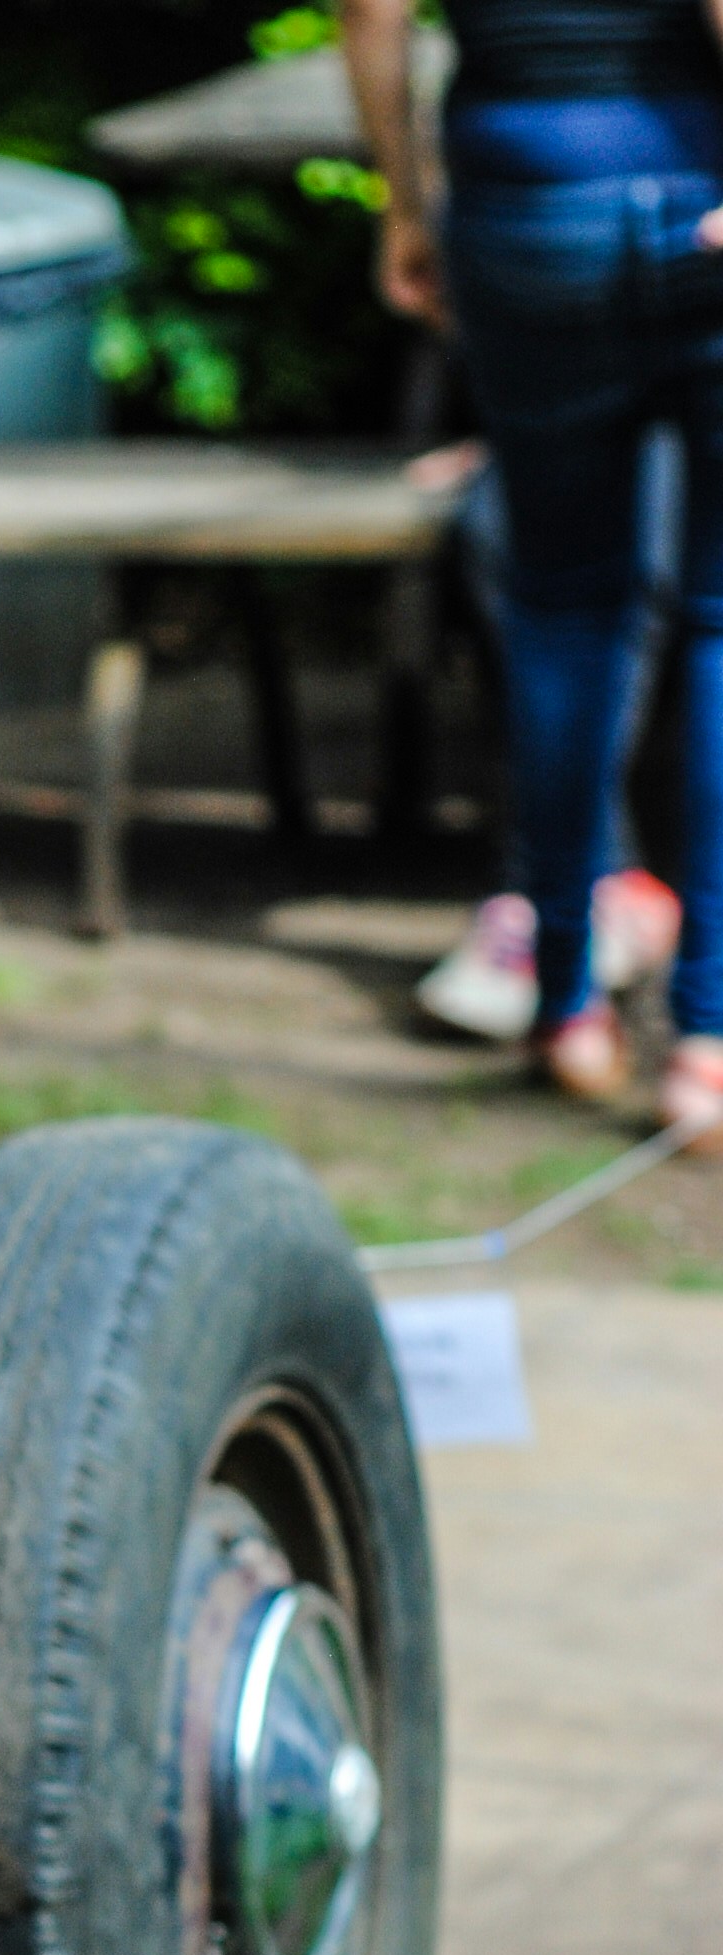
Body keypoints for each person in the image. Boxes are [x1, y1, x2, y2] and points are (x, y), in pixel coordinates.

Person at [343, 0, 723, 1134]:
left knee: (562, 608)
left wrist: (407, 209)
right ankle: (706, 1037)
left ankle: (567, 1004)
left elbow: (373, 16)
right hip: (694, 192)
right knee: (717, 622)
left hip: (520, 213)